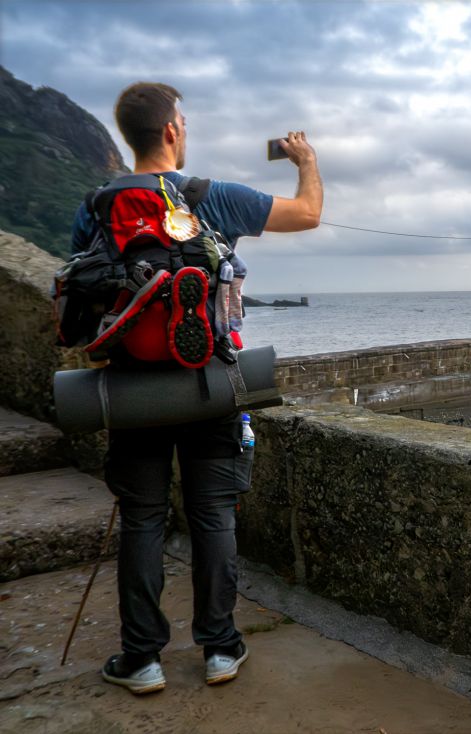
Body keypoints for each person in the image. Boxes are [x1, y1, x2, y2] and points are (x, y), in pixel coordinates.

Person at [70, 82, 323, 694]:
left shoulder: (96, 205)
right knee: (213, 515)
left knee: (143, 519)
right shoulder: (213, 198)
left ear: (130, 136)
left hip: (131, 389)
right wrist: (306, 161)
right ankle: (219, 649)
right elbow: (308, 214)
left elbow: (84, 291)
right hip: (209, 382)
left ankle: (143, 659)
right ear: (174, 131)